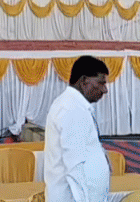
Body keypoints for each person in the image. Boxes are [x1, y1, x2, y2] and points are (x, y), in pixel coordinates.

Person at [45, 55, 111, 202]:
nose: (105, 90)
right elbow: (74, 167)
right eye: (101, 83)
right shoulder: (71, 108)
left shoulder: (74, 105)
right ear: (84, 81)